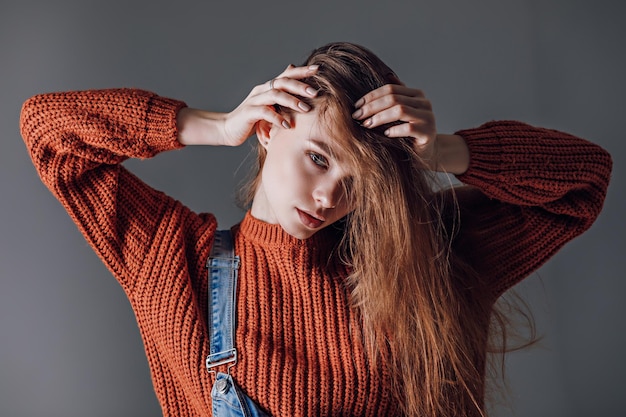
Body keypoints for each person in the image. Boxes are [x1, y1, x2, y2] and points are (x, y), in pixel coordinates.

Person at [20, 42, 612, 417]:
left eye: (359, 181)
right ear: (270, 129)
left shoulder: (427, 254)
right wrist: (216, 124)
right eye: (320, 159)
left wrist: (445, 151)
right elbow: (50, 132)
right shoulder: (173, 262)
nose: (331, 197)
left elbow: (583, 182)